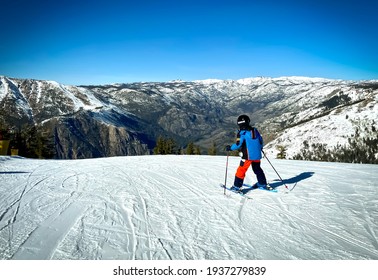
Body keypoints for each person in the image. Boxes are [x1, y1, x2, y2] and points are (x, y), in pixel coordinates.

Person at [226, 114, 270, 192]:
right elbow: (260, 141)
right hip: (257, 155)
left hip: (247, 156)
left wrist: (230, 148)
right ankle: (262, 183)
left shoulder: (242, 133)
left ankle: (237, 187)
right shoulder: (255, 131)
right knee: (257, 169)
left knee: (241, 170)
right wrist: (260, 148)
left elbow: (238, 144)